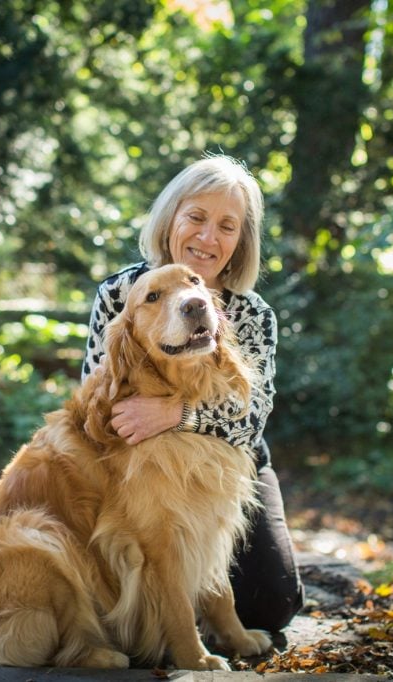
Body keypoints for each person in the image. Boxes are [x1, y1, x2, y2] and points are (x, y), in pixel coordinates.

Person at [81, 154, 304, 635]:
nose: (208, 238)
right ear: (170, 221)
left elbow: (252, 416)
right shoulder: (120, 292)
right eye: (196, 218)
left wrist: (177, 413)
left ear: (240, 240)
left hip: (233, 459)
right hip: (142, 456)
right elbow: (96, 398)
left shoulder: (253, 312)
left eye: (227, 226)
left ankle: (189, 608)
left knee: (271, 605)